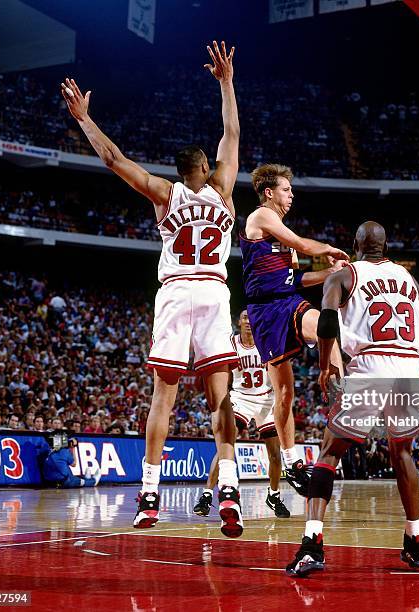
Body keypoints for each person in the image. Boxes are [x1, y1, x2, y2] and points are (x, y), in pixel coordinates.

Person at [61, 40, 244, 537]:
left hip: (175, 292)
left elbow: (113, 158)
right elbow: (232, 130)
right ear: (205, 168)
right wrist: (225, 81)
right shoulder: (224, 189)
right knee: (219, 399)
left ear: (178, 172)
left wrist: (83, 117)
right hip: (213, 292)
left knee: (163, 397)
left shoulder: (164, 194)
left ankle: (148, 495)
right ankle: (228, 489)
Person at [285, 221, 419, 577]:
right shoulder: (408, 280)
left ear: (355, 244)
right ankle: (415, 539)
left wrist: (327, 364)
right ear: (385, 245)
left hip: (371, 365)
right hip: (408, 370)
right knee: (402, 451)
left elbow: (326, 320)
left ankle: (312, 544)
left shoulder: (344, 275)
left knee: (329, 451)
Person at [240, 164, 349, 496]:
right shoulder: (260, 217)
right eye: (287, 189)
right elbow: (302, 243)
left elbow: (298, 279)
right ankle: (291, 461)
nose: (292, 194)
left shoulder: (280, 233)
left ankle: (346, 397)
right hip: (265, 311)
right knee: (284, 394)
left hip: (287, 300)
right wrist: (327, 249)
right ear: (270, 193)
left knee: (324, 324)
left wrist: (330, 273)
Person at [193, 311, 291, 519]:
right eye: (244, 317)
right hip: (240, 399)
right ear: (238, 321)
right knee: (225, 446)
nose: (248, 321)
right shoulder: (231, 344)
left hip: (266, 400)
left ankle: (273, 496)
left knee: (275, 454)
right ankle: (207, 494)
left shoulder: (267, 341)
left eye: (251, 318)